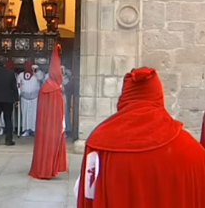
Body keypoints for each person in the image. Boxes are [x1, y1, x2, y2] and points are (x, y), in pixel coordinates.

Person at [75, 67, 205, 208]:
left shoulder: (99, 144)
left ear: (124, 98)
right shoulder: (192, 152)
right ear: (159, 96)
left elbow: (88, 197)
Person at [29, 45, 68, 179]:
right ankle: (48, 170)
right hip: (54, 127)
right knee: (51, 145)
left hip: (45, 126)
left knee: (44, 145)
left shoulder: (46, 86)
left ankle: (44, 168)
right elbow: (60, 111)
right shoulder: (55, 90)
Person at [17, 62, 44, 137]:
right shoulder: (21, 75)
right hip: (24, 97)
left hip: (34, 97)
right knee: (25, 114)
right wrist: (19, 94)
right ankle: (26, 130)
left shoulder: (37, 75)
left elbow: (41, 78)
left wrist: (36, 71)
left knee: (34, 115)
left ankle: (34, 130)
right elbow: (19, 85)